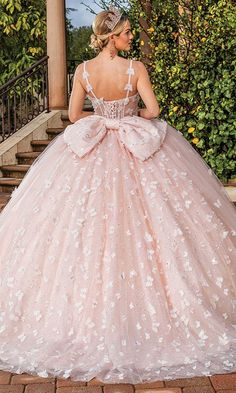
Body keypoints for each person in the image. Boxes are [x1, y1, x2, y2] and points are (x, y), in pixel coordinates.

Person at [0, 3, 235, 385]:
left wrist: (103, 120)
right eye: (126, 32)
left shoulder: (82, 71)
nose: (130, 37)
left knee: (82, 228)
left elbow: (75, 116)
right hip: (133, 144)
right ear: (112, 36)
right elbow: (154, 109)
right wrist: (129, 118)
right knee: (158, 224)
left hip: (93, 146)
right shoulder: (134, 69)